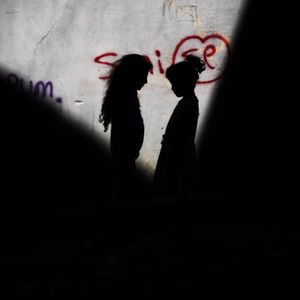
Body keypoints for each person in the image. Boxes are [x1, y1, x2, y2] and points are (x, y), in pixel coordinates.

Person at [99, 54, 152, 212]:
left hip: (125, 157)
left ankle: (119, 230)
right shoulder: (125, 100)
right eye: (143, 76)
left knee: (122, 195)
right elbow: (128, 130)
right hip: (125, 157)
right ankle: (119, 230)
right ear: (133, 75)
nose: (145, 81)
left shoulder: (125, 98)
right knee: (123, 197)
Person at [153, 54, 206, 206]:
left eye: (174, 84)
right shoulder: (189, 102)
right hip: (180, 156)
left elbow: (182, 136)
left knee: (178, 195)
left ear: (184, 83)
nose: (172, 88)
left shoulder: (187, 104)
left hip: (178, 158)